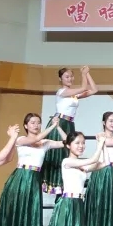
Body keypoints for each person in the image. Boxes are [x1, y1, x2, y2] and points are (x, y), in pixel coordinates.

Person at [0, 114, 63, 226]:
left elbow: (67, 142)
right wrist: (52, 127)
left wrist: (58, 127)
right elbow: (34, 139)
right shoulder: (20, 139)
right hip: (20, 178)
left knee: (29, 214)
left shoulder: (45, 142)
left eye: (38, 122)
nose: (36, 125)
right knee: (13, 213)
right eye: (32, 122)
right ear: (26, 126)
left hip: (34, 180)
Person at [43, 66, 98, 195]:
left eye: (71, 76)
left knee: (69, 154)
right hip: (60, 122)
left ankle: (65, 186)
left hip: (69, 124)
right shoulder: (61, 92)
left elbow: (94, 90)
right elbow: (83, 87)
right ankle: (57, 186)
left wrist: (87, 74)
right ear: (60, 79)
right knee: (60, 154)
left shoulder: (74, 95)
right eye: (66, 77)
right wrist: (83, 74)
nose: (70, 79)